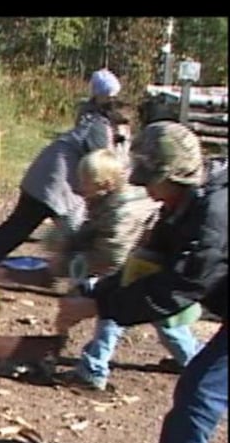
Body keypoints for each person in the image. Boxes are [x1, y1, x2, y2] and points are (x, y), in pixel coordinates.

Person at [56, 121, 227, 443]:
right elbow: (147, 264)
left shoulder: (213, 215)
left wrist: (101, 308)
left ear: (176, 176)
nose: (147, 192)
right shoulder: (184, 203)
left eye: (152, 182)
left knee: (199, 395)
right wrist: (94, 293)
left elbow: (179, 285)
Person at [48, 148, 201, 391]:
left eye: (86, 184)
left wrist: (80, 267)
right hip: (134, 269)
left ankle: (93, 370)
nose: (80, 188)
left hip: (135, 271)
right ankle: (192, 359)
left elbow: (113, 254)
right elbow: (94, 232)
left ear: (105, 184)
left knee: (115, 316)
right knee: (168, 324)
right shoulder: (103, 202)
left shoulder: (122, 209)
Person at [0, 107, 130, 269]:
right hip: (57, 183)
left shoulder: (92, 125)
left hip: (46, 179)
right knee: (75, 237)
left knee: (18, 227)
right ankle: (74, 277)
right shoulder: (100, 130)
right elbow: (102, 164)